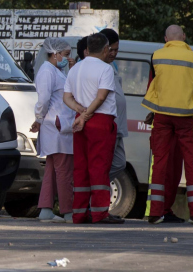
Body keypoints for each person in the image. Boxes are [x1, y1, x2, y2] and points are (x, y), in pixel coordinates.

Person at [142, 25, 193, 224]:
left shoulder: (156, 55)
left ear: (166, 39)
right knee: (191, 163)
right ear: (184, 37)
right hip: (186, 116)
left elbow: (153, 84)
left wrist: (153, 111)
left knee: (158, 162)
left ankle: (154, 212)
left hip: (161, 115)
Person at [62, 33, 123, 224]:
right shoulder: (105, 69)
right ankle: (99, 213)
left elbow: (67, 97)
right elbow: (102, 96)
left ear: (88, 48)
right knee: (99, 167)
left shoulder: (76, 68)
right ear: (105, 49)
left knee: (81, 167)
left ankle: (79, 213)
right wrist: (88, 114)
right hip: (100, 121)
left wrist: (80, 112)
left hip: (79, 121)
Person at [31, 37, 75, 222]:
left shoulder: (56, 70)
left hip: (56, 125)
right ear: (55, 53)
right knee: (64, 170)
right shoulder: (47, 71)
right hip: (56, 125)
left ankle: (46, 209)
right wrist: (39, 119)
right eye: (65, 55)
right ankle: (68, 212)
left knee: (52, 169)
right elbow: (43, 100)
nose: (67, 58)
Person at [100, 29, 130, 192]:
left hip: (117, 126)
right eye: (110, 50)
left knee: (119, 163)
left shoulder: (111, 66)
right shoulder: (99, 67)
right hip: (108, 125)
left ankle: (97, 192)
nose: (113, 53)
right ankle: (96, 199)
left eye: (116, 50)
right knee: (104, 164)